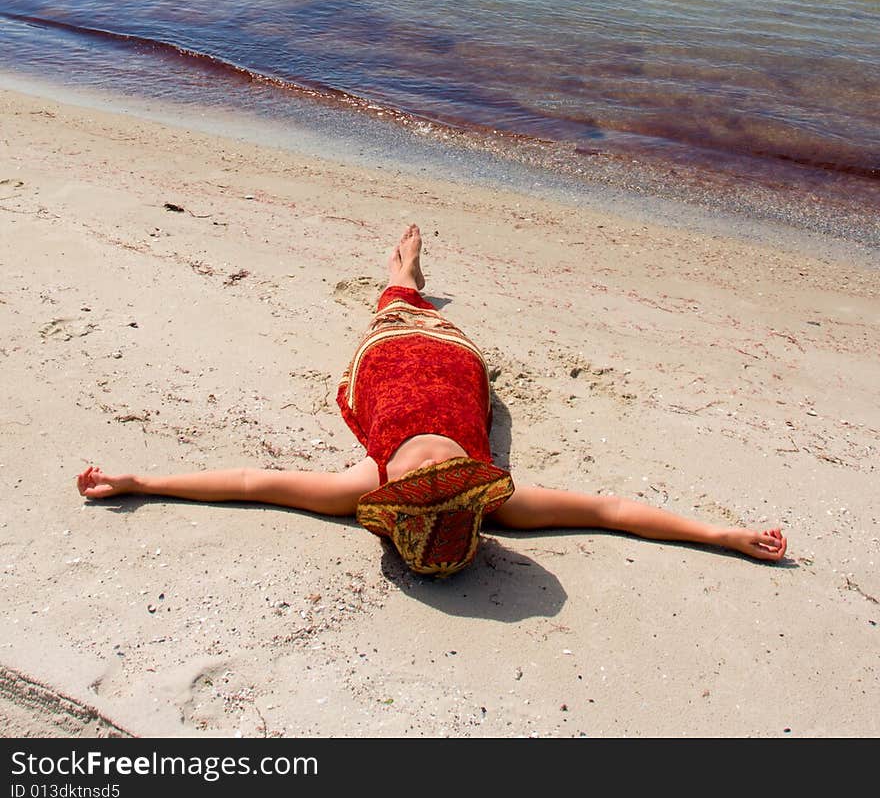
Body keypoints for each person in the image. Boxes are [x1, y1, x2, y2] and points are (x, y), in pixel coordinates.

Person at [77, 224, 787, 577]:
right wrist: (718, 535)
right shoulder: (497, 501)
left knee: (390, 300)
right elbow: (612, 513)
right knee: (416, 306)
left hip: (385, 355)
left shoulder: (367, 482)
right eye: (451, 474)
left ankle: (400, 275)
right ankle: (406, 278)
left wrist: (140, 480)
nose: (442, 464)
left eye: (434, 475)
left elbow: (247, 484)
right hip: (455, 356)